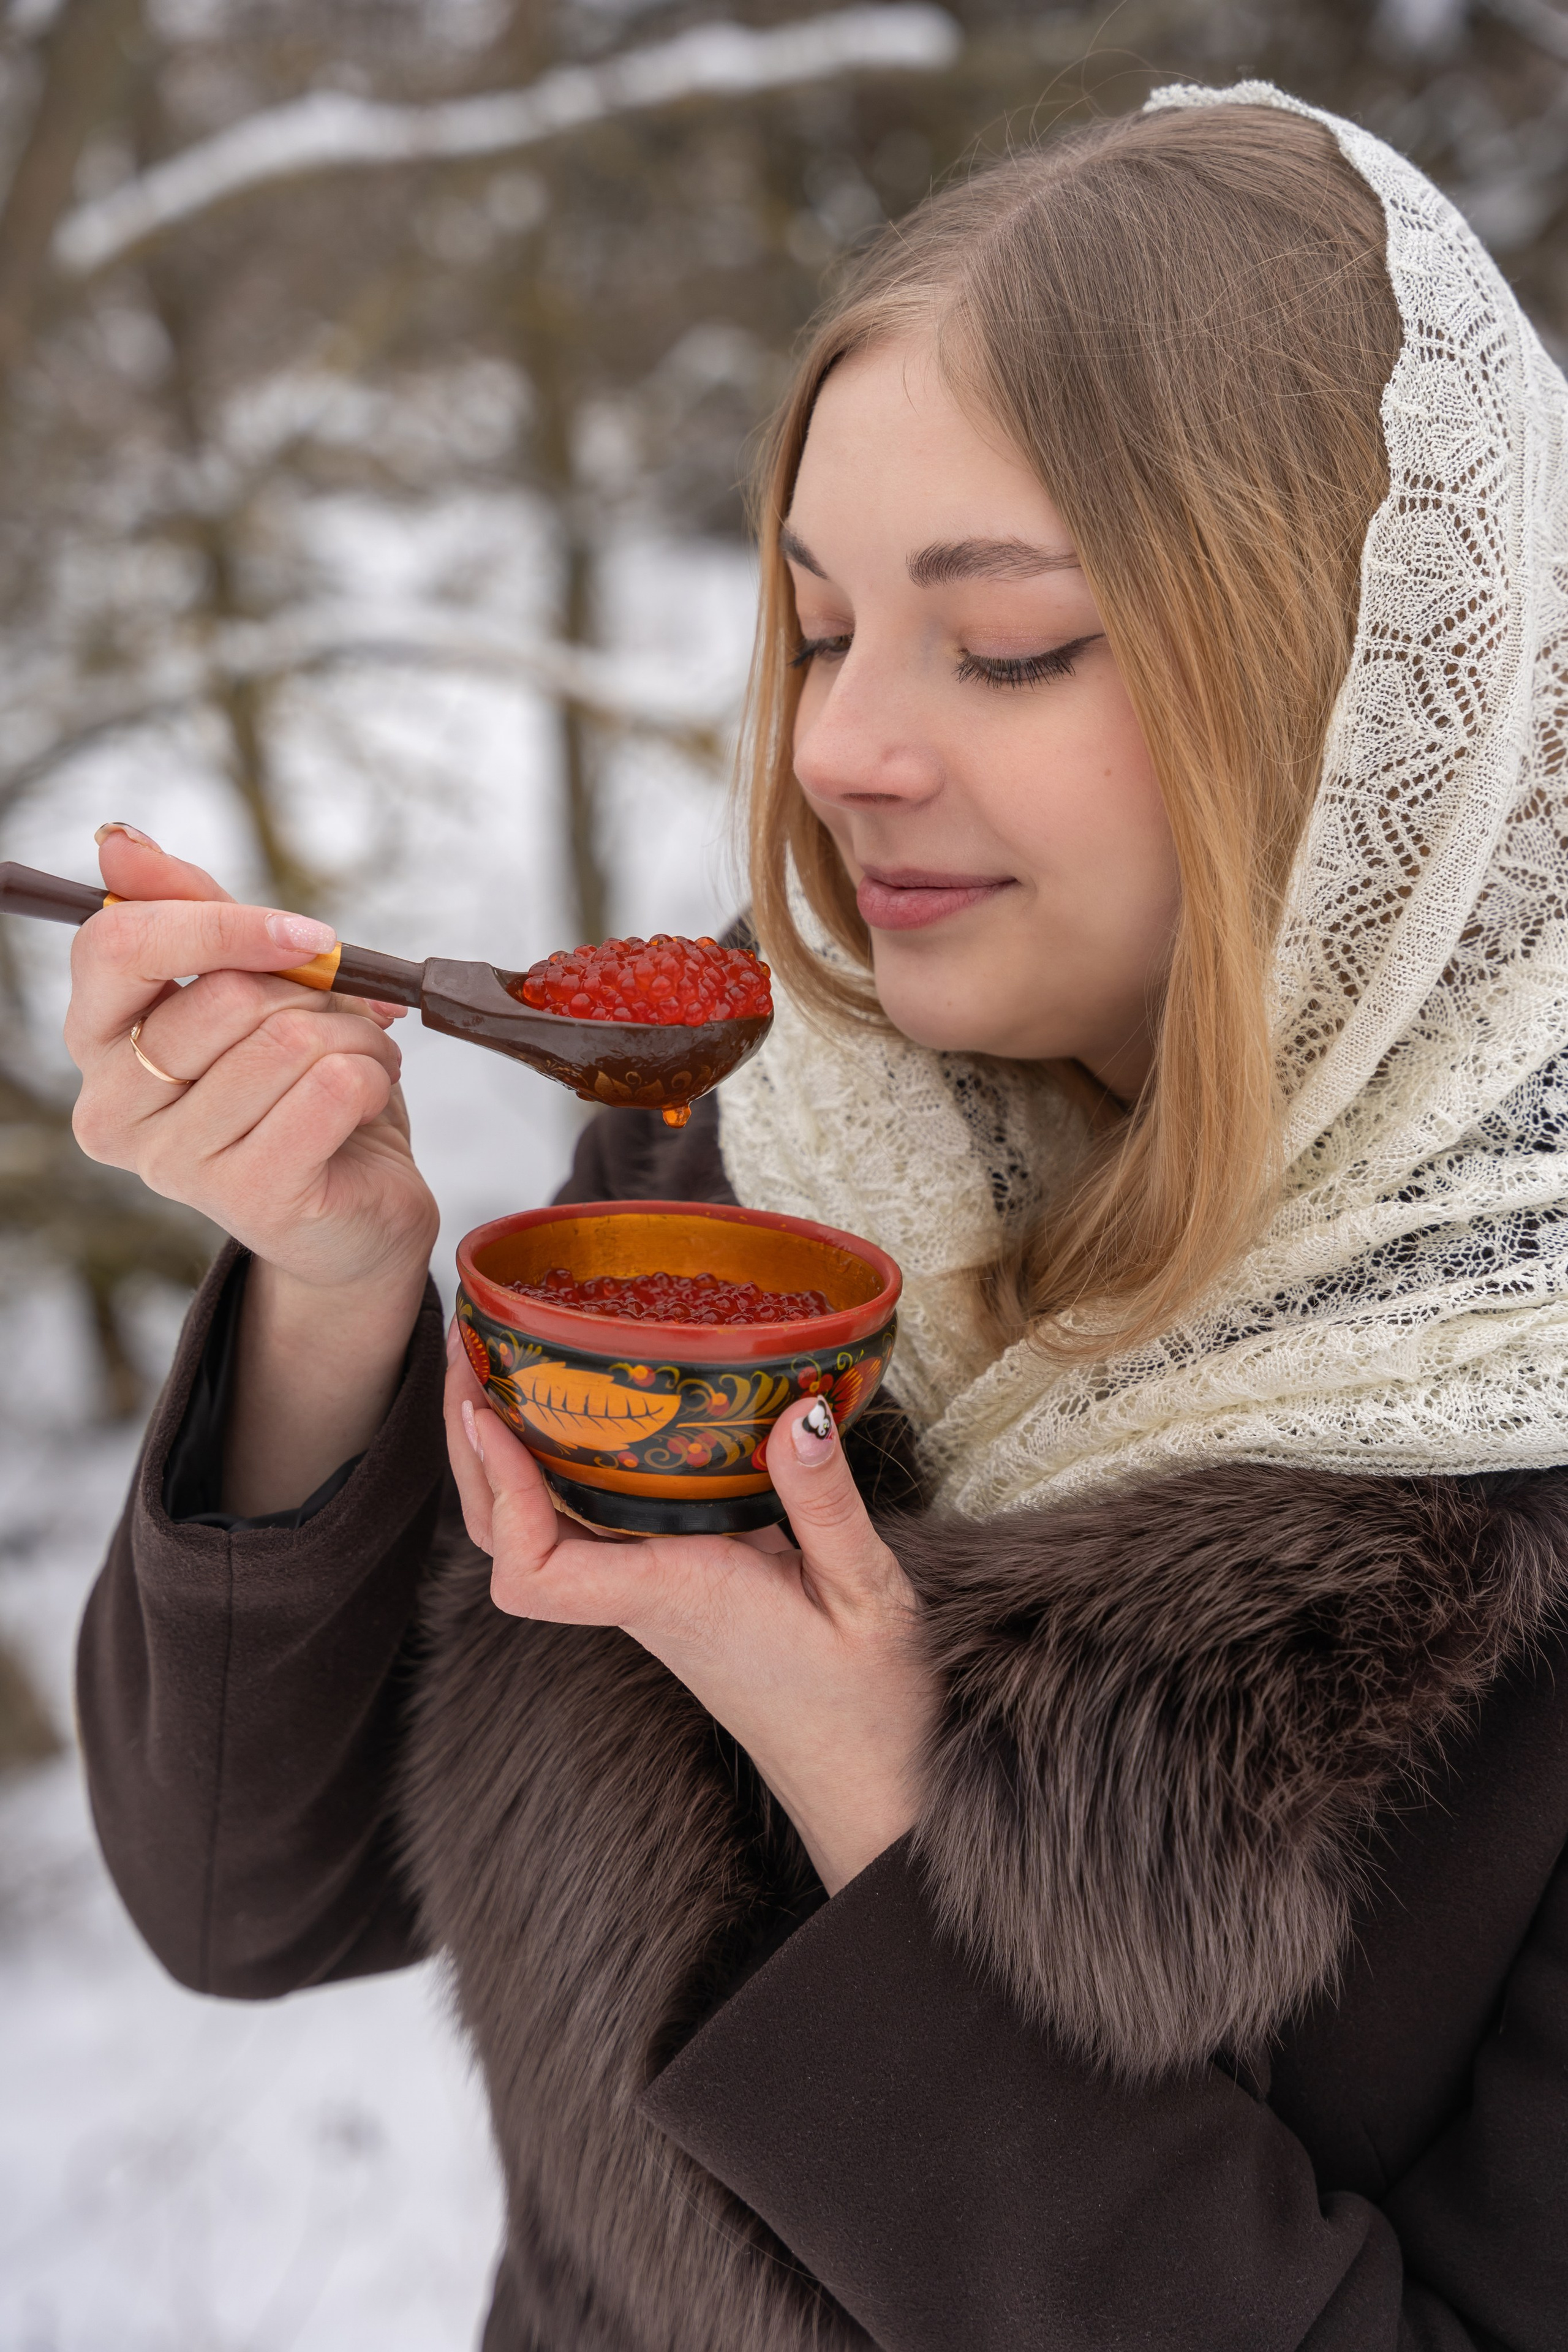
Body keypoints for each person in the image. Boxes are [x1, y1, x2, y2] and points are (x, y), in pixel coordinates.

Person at [68, 82, 1568, 2350]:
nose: (838, 749)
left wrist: (889, 1813)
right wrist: (332, 1292)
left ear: (1352, 691)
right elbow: (238, 1908)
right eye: (819, 628)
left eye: (1014, 642)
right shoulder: (739, 1175)